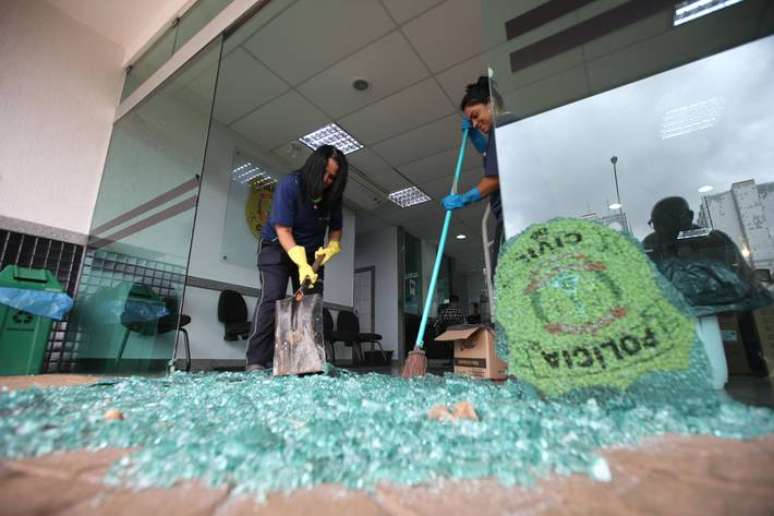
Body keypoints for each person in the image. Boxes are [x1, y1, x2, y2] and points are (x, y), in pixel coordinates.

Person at [245, 145, 348, 371]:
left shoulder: (333, 196)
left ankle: (305, 362)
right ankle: (256, 361)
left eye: (333, 177)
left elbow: (336, 229)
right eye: (324, 173)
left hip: (312, 252)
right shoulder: (291, 184)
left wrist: (330, 248)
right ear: (313, 167)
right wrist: (300, 262)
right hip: (277, 247)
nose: (327, 180)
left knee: (309, 303)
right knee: (273, 297)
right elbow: (283, 230)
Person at [441, 76, 507, 276]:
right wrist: (473, 136)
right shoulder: (500, 132)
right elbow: (489, 153)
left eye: (477, 115)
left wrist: (464, 198)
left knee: (504, 277)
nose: (476, 123)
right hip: (507, 216)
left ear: (491, 103)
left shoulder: (504, 126)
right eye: (472, 120)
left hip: (512, 216)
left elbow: (496, 177)